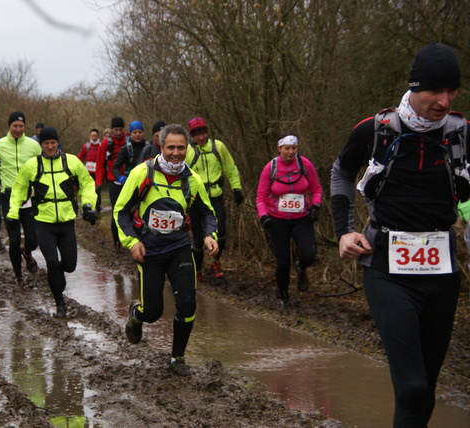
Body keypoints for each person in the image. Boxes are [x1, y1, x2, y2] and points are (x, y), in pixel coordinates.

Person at [330, 42, 468, 428]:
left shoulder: (461, 134)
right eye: (434, 91)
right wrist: (344, 231)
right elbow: (341, 173)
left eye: (452, 91)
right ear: (414, 86)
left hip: (443, 271)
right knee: (410, 387)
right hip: (387, 268)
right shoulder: (376, 129)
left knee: (426, 388)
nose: (444, 100)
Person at [114, 123, 219, 376]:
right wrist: (132, 241)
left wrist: (209, 235)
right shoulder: (143, 173)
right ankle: (137, 316)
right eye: (170, 147)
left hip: (179, 247)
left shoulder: (192, 180)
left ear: (187, 149)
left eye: (181, 148)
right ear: (161, 146)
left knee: (188, 304)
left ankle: (177, 358)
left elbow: (207, 213)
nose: (175, 152)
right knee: (153, 312)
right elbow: (120, 213)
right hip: (149, 250)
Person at [8, 126, 98, 318]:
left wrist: (89, 205)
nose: (50, 146)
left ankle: (58, 278)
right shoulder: (32, 165)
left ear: (58, 143)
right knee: (51, 262)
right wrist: (13, 213)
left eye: (53, 143)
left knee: (69, 265)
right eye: (46, 143)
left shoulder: (71, 161)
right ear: (41, 145)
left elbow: (87, 183)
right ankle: (60, 303)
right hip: (43, 223)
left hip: (66, 223)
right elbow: (18, 190)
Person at [256, 132, 322, 305]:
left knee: (309, 254)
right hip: (277, 220)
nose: (291, 152)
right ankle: (282, 293)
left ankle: (301, 267)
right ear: (279, 148)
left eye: (294, 148)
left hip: (302, 218)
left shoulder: (305, 164)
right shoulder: (270, 168)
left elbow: (316, 189)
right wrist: (263, 216)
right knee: (283, 260)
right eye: (287, 148)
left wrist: (315, 206)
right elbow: (261, 197)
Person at [0, 111, 42, 289]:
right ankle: (19, 277)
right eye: (15, 126)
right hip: (8, 196)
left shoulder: (34, 145)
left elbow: (42, 168)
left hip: (28, 197)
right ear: (9, 126)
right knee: (14, 239)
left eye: (21, 126)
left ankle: (27, 253)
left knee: (33, 239)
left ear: (25, 127)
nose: (18, 129)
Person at [185, 117, 243, 279]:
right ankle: (197, 268)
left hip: (216, 196)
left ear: (207, 132)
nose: (201, 137)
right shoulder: (187, 152)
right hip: (196, 200)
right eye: (196, 135)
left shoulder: (218, 147)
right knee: (197, 238)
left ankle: (215, 260)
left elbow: (230, 168)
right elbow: (181, 176)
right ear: (192, 136)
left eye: (203, 133)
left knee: (221, 231)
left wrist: (236, 188)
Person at [95, 116, 127, 252]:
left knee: (129, 212)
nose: (118, 132)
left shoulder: (129, 139)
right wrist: (98, 183)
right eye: (116, 130)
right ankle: (116, 242)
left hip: (128, 179)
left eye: (120, 129)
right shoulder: (106, 143)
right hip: (113, 180)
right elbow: (100, 164)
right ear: (112, 129)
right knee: (116, 211)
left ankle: (129, 239)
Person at [77, 128, 102, 212]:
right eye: (92, 136)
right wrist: (79, 169)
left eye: (95, 136)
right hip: (87, 172)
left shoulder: (101, 146)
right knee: (87, 189)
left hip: (98, 172)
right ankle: (87, 207)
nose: (94, 137)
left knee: (97, 190)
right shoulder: (86, 146)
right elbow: (80, 157)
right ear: (90, 136)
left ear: (98, 136)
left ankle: (97, 208)